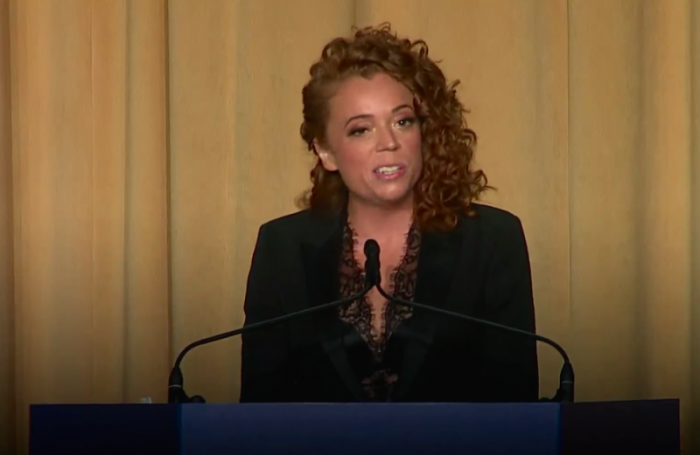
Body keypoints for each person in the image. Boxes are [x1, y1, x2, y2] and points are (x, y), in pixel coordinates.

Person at [239, 24, 539, 403]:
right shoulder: (280, 248)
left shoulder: (494, 240)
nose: (389, 143)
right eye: (361, 130)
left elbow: (515, 405)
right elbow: (258, 410)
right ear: (326, 153)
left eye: (402, 121)